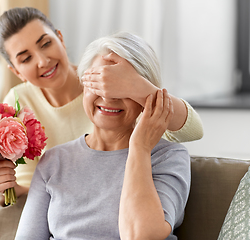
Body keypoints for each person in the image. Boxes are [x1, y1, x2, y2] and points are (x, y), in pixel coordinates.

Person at [0, 7, 202, 199]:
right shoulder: (18, 103)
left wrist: (137, 85)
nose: (43, 61)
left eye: (46, 44)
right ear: (16, 71)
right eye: (26, 59)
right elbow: (32, 188)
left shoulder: (110, 83)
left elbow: (192, 131)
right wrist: (10, 187)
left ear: (60, 38)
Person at [15, 31, 190, 240]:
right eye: (99, 82)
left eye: (122, 86)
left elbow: (142, 236)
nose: (107, 95)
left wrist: (140, 148)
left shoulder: (168, 157)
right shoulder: (53, 160)